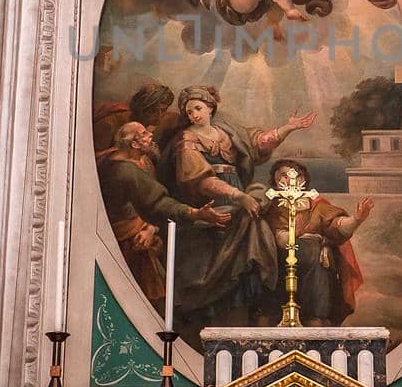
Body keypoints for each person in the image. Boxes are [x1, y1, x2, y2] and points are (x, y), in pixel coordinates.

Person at [160, 85, 316, 329]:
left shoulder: (225, 132)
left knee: (256, 233)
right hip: (211, 203)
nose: (194, 115)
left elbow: (258, 144)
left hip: (240, 199)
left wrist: (288, 127)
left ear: (211, 107)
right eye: (189, 112)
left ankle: (253, 313)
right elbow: (201, 181)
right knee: (237, 238)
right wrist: (239, 197)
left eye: (198, 109)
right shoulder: (186, 140)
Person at [97, 122, 226, 302]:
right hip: (129, 239)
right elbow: (159, 204)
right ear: (134, 144)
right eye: (144, 134)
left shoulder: (140, 159)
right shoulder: (125, 171)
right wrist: (196, 213)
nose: (151, 137)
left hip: (144, 225)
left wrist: (150, 226)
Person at [261, 159, 373, 325]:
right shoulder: (270, 205)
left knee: (318, 250)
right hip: (275, 262)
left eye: (295, 175)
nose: (290, 179)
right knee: (313, 247)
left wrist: (356, 219)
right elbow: (277, 239)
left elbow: (337, 225)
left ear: (303, 180)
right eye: (283, 176)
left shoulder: (315, 204)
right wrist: (295, 234)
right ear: (276, 182)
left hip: (313, 267)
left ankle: (315, 316)